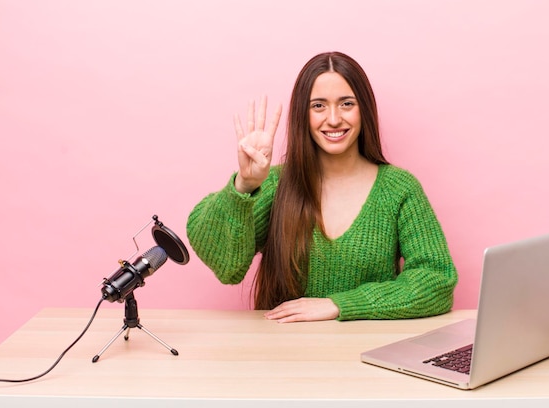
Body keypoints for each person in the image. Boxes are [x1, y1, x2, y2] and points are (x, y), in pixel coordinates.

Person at [186, 51, 457, 323]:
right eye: (318, 106)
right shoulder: (274, 185)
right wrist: (243, 185)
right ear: (303, 114)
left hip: (368, 353)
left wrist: (341, 304)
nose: (334, 119)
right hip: (282, 353)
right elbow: (225, 265)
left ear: (364, 109)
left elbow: (437, 281)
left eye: (346, 104)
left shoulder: (399, 188)